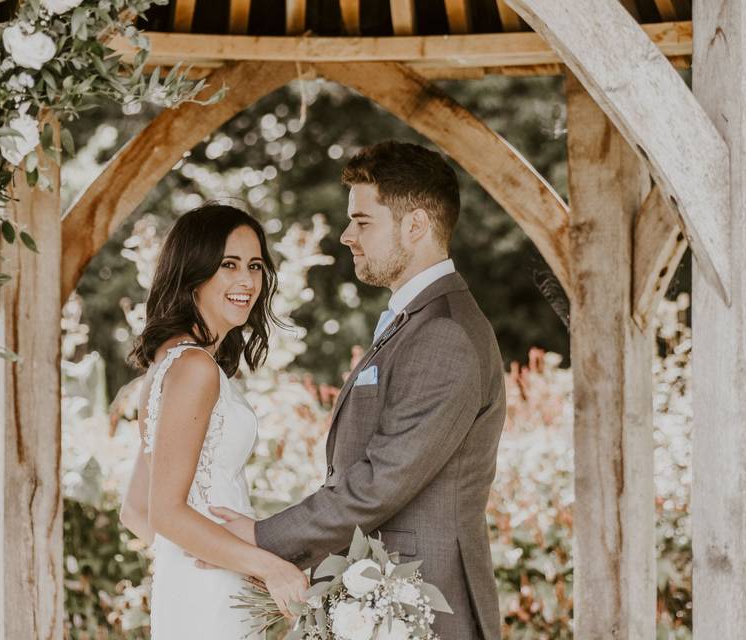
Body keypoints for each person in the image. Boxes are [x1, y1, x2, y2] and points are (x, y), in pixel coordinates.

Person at [207, 142, 507, 639]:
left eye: (363, 222)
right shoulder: (415, 321)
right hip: (380, 602)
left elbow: (380, 482)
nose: (347, 236)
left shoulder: (444, 334)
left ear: (416, 226)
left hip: (428, 608)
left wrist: (263, 538)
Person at [118, 203, 309, 638]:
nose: (247, 281)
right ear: (195, 272)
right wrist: (267, 566)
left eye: (256, 266)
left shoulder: (170, 362)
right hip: (215, 593)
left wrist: (210, 563)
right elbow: (164, 513)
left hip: (204, 584)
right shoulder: (195, 369)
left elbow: (136, 509)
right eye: (229, 265)